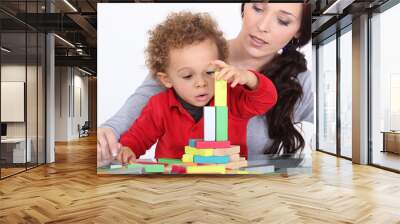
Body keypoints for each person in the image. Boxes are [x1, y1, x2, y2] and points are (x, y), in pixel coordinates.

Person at [98, 3, 313, 167]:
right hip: (174, 190)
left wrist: (249, 79)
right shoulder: (167, 88)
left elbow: (265, 99)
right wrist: (118, 143)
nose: (262, 26)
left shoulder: (233, 94)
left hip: (237, 191)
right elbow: (136, 128)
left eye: (283, 20)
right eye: (257, 8)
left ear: (299, 31)